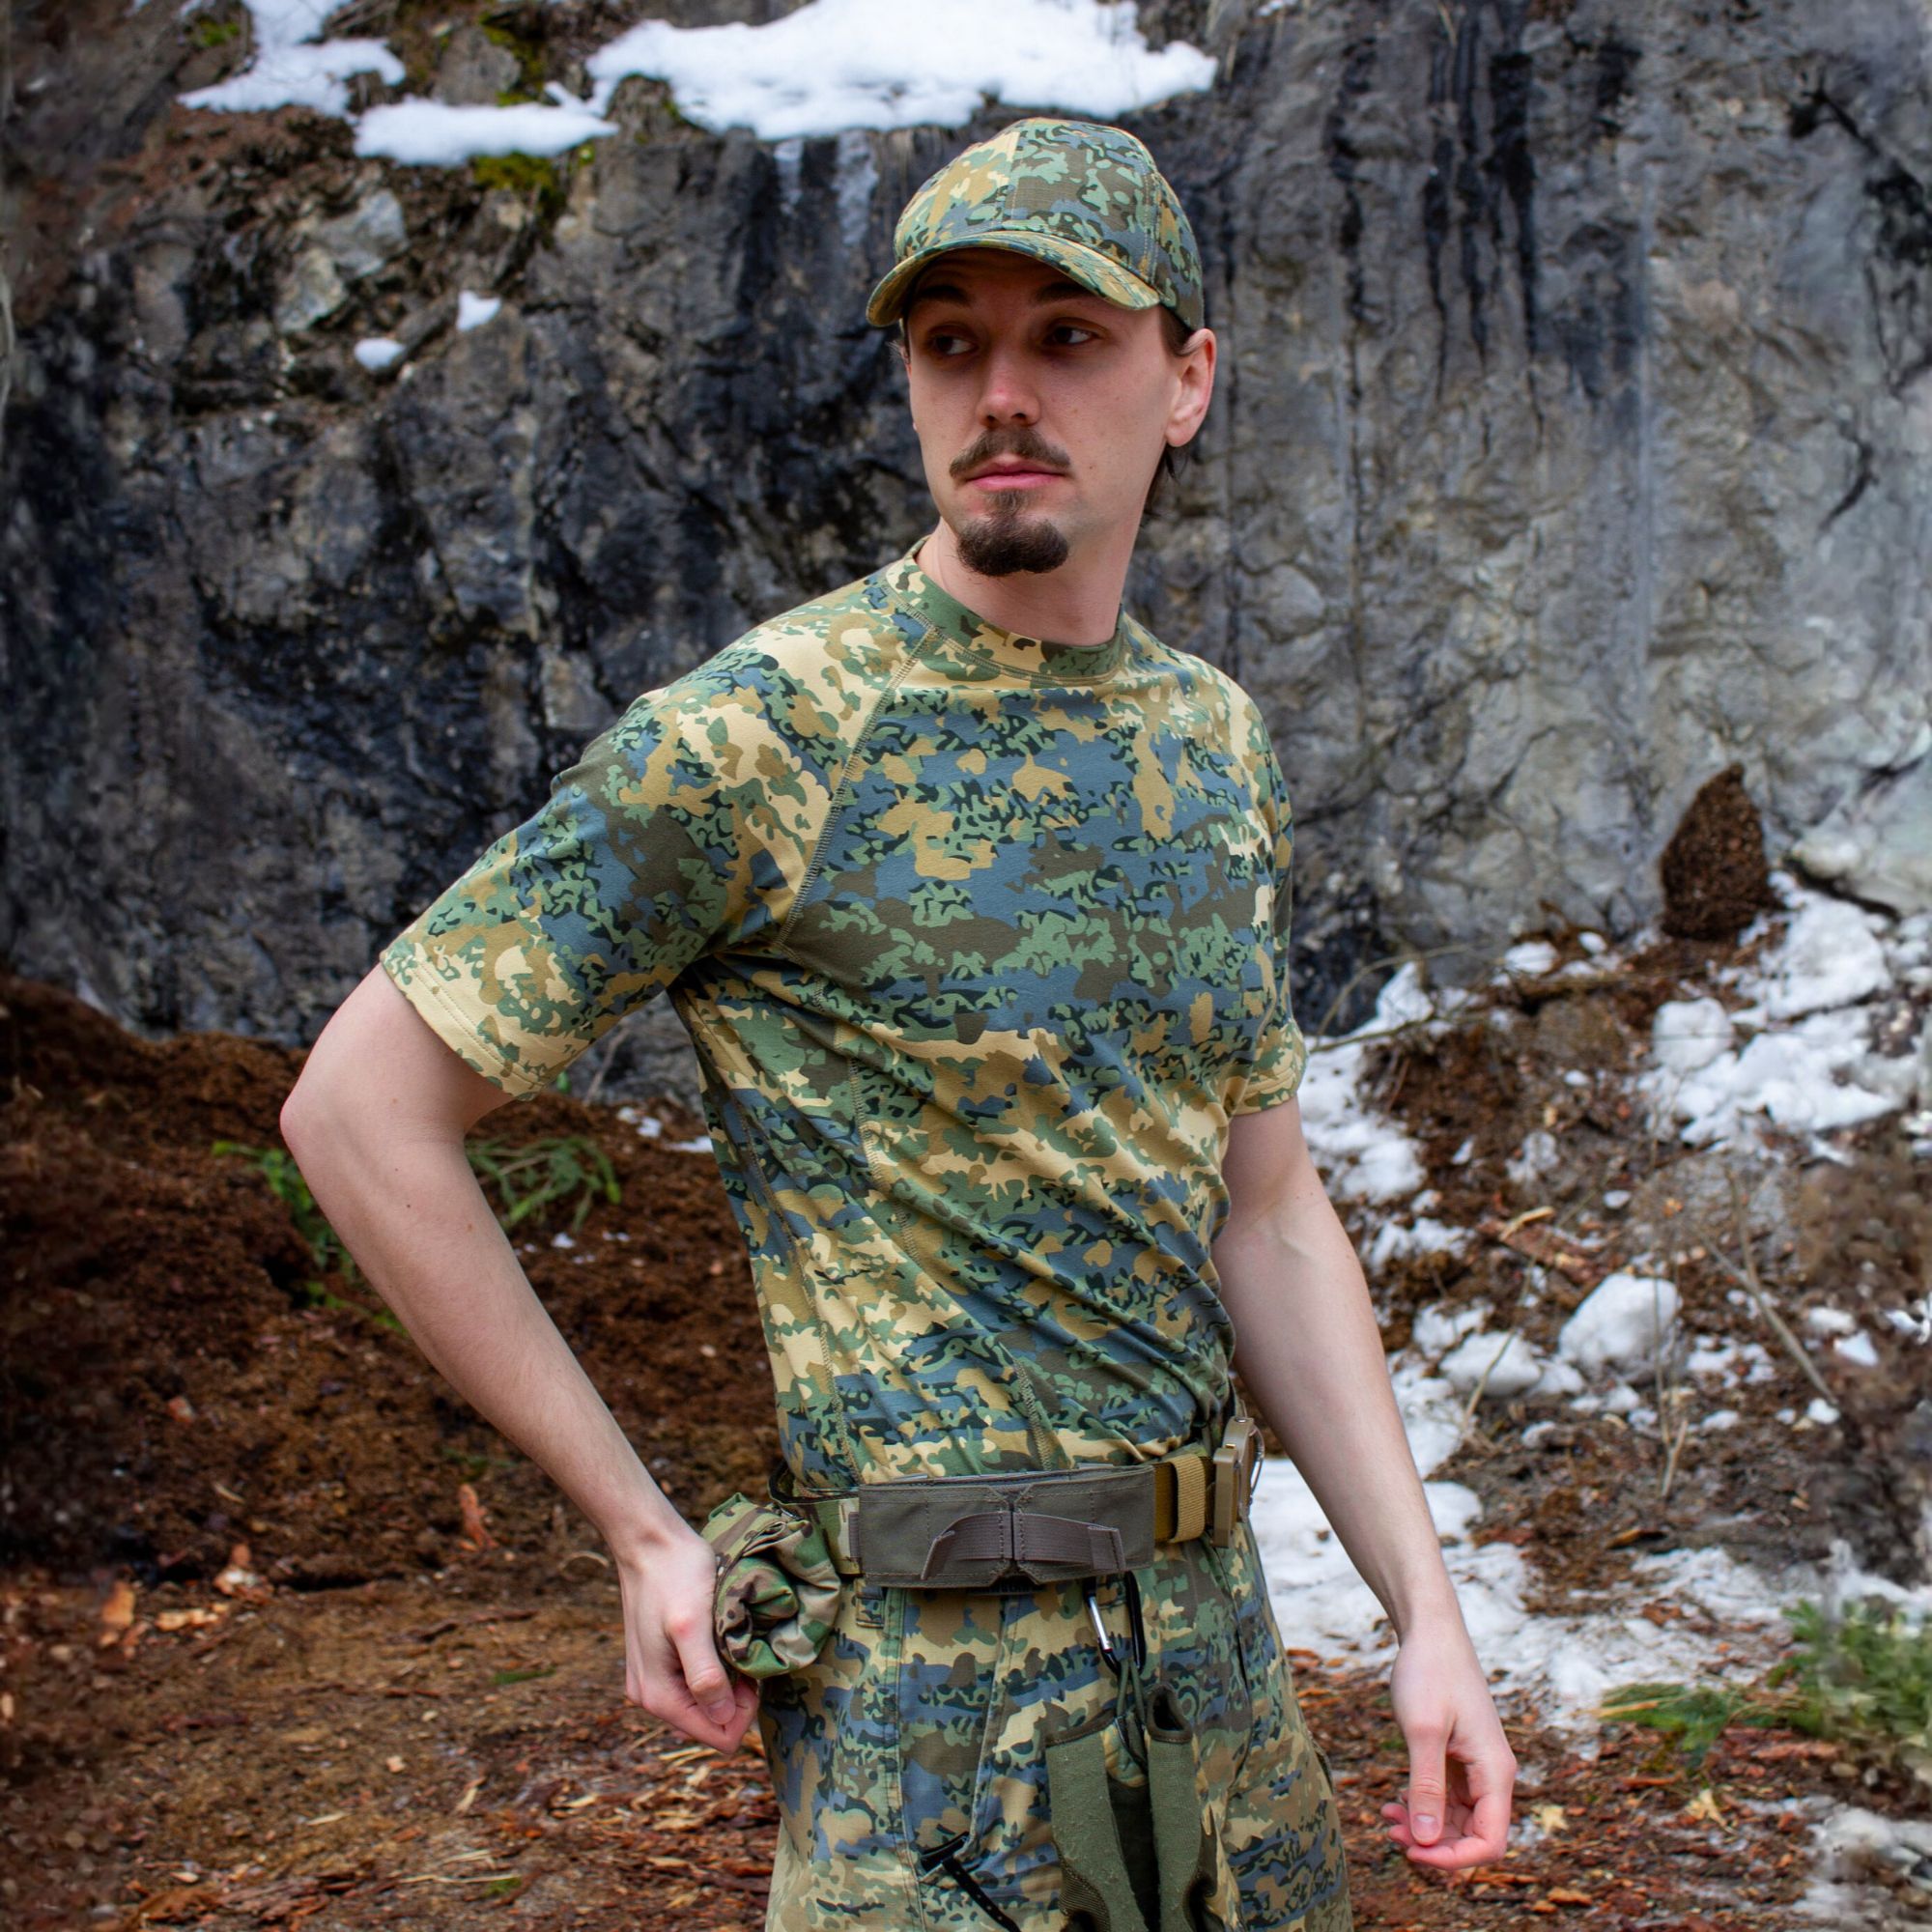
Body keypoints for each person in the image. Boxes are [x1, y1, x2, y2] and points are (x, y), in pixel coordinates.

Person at [281, 115, 1515, 1931]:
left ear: (1186, 382)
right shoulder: (763, 736)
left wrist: (1429, 1618)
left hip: (1214, 1685)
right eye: (953, 343)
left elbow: (1264, 1212)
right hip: (921, 1725)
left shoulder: (1209, 742)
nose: (1001, 391)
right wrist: (642, 1531)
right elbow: (358, 1111)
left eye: (1065, 338)